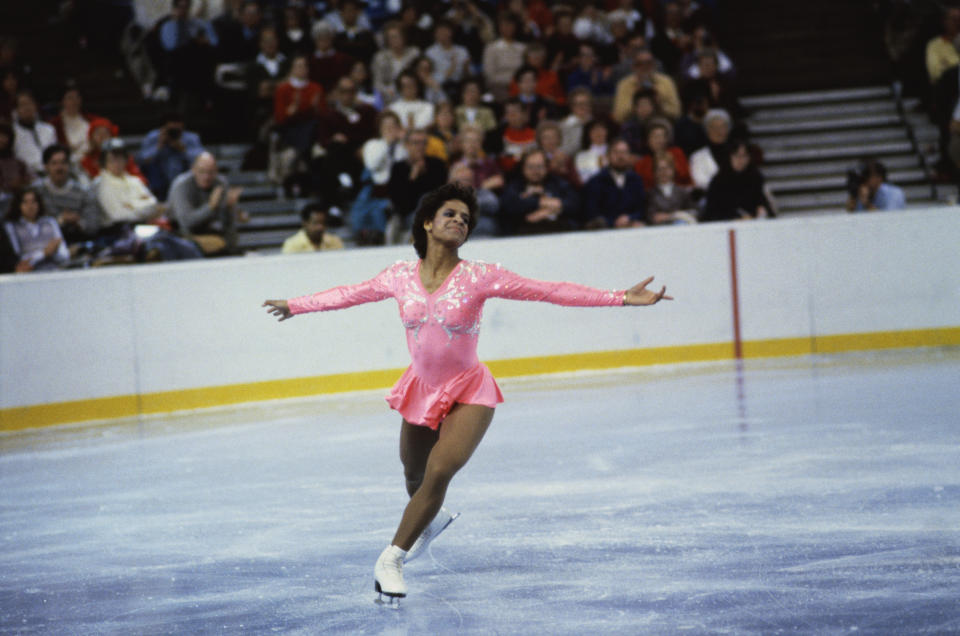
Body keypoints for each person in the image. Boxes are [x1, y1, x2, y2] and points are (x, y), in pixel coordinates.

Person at [262, 181, 672, 602]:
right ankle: (431, 518)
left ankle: (391, 559)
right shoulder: (399, 276)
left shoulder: (479, 276)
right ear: (427, 223)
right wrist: (296, 305)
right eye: (450, 214)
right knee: (414, 475)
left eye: (465, 218)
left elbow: (550, 291)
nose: (459, 221)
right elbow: (350, 294)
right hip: (422, 387)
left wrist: (619, 297)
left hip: (470, 390)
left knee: (439, 472)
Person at [167, 151, 246, 254]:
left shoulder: (220, 183)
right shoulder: (181, 186)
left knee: (227, 246)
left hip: (209, 231)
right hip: (179, 234)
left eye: (210, 172)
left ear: (216, 171)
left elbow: (227, 225)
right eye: (202, 171)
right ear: (193, 169)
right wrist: (210, 206)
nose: (206, 177)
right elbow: (186, 223)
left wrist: (230, 209)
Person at [499, 148, 579, 235]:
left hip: (559, 232)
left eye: (539, 166)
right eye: (530, 167)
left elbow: (574, 202)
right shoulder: (515, 184)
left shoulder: (557, 182)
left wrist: (545, 212)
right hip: (523, 235)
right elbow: (509, 204)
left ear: (547, 168)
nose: (535, 171)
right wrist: (540, 202)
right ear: (523, 168)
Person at [34, 144, 102, 245]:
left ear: (69, 165)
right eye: (54, 163)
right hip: (45, 244)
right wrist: (61, 220)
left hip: (80, 241)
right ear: (46, 166)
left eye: (63, 163)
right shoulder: (36, 191)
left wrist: (78, 222)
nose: (59, 167)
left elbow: (93, 226)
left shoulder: (84, 192)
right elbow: (33, 226)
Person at [387, 129, 447, 232]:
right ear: (407, 145)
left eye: (423, 143)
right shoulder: (398, 169)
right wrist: (413, 177)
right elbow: (400, 202)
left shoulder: (438, 165)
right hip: (410, 215)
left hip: (436, 213)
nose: (420, 147)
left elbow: (441, 193)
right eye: (416, 143)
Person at [137, 112, 205, 200]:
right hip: (159, 181)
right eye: (171, 130)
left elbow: (203, 161)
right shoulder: (154, 137)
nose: (174, 133)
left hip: (185, 179)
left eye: (177, 130)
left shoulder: (191, 138)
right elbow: (141, 160)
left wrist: (183, 150)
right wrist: (158, 147)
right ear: (163, 128)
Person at [702, 140, 772, 222]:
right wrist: (735, 218)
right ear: (729, 157)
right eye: (736, 155)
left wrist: (761, 211)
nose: (740, 160)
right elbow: (711, 212)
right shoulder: (718, 181)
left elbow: (763, 203)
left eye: (744, 156)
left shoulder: (755, 178)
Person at [582, 138, 646, 229]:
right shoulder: (596, 181)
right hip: (605, 232)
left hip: (632, 229)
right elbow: (591, 213)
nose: (621, 156)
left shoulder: (636, 180)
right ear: (608, 156)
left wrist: (630, 218)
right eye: (616, 152)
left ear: (629, 156)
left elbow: (642, 209)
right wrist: (614, 222)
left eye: (624, 153)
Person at [2, 187, 70, 272]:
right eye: (25, 202)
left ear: (39, 204)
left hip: (53, 270)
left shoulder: (50, 223)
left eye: (33, 202)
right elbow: (17, 260)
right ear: (18, 205)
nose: (30, 206)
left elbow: (64, 255)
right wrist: (44, 253)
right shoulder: (12, 227)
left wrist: (53, 252)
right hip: (28, 273)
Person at [612, 49, 681, 123]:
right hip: (634, 124)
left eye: (648, 63)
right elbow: (618, 116)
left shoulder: (666, 82)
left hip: (661, 123)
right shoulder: (624, 84)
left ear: (654, 65)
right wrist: (636, 102)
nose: (645, 67)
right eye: (640, 64)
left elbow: (676, 112)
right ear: (633, 67)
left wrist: (659, 102)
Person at [632, 118, 692, 189]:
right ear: (647, 141)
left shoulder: (677, 153)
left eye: (663, 136)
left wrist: (671, 163)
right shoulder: (641, 164)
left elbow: (685, 177)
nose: (660, 140)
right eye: (655, 137)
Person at [371, 21, 420, 104]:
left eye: (397, 36)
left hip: (412, 91)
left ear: (404, 37)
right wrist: (387, 91)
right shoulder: (380, 57)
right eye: (391, 37)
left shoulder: (414, 53)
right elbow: (377, 83)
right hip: (389, 95)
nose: (394, 40)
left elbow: (419, 76)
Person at [482, 12, 526, 101]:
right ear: (499, 27)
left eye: (510, 24)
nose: (507, 28)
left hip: (521, 86)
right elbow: (489, 75)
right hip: (498, 86)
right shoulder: (491, 48)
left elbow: (525, 71)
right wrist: (511, 81)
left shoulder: (523, 48)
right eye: (504, 25)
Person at [11, 91, 57, 175]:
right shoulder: (12, 133)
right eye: (22, 105)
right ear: (16, 110)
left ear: (35, 106)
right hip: (27, 176)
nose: (27, 108)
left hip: (51, 174)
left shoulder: (48, 129)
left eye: (30, 103)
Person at [646, 155, 698, 225]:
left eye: (666, 168)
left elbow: (694, 212)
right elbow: (649, 216)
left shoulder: (682, 192)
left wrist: (672, 216)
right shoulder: (649, 194)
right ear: (654, 172)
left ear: (673, 169)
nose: (663, 172)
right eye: (660, 169)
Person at [688, 108, 731, 191]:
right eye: (715, 127)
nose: (719, 131)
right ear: (707, 130)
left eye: (722, 127)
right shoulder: (697, 157)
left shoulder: (736, 153)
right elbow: (700, 182)